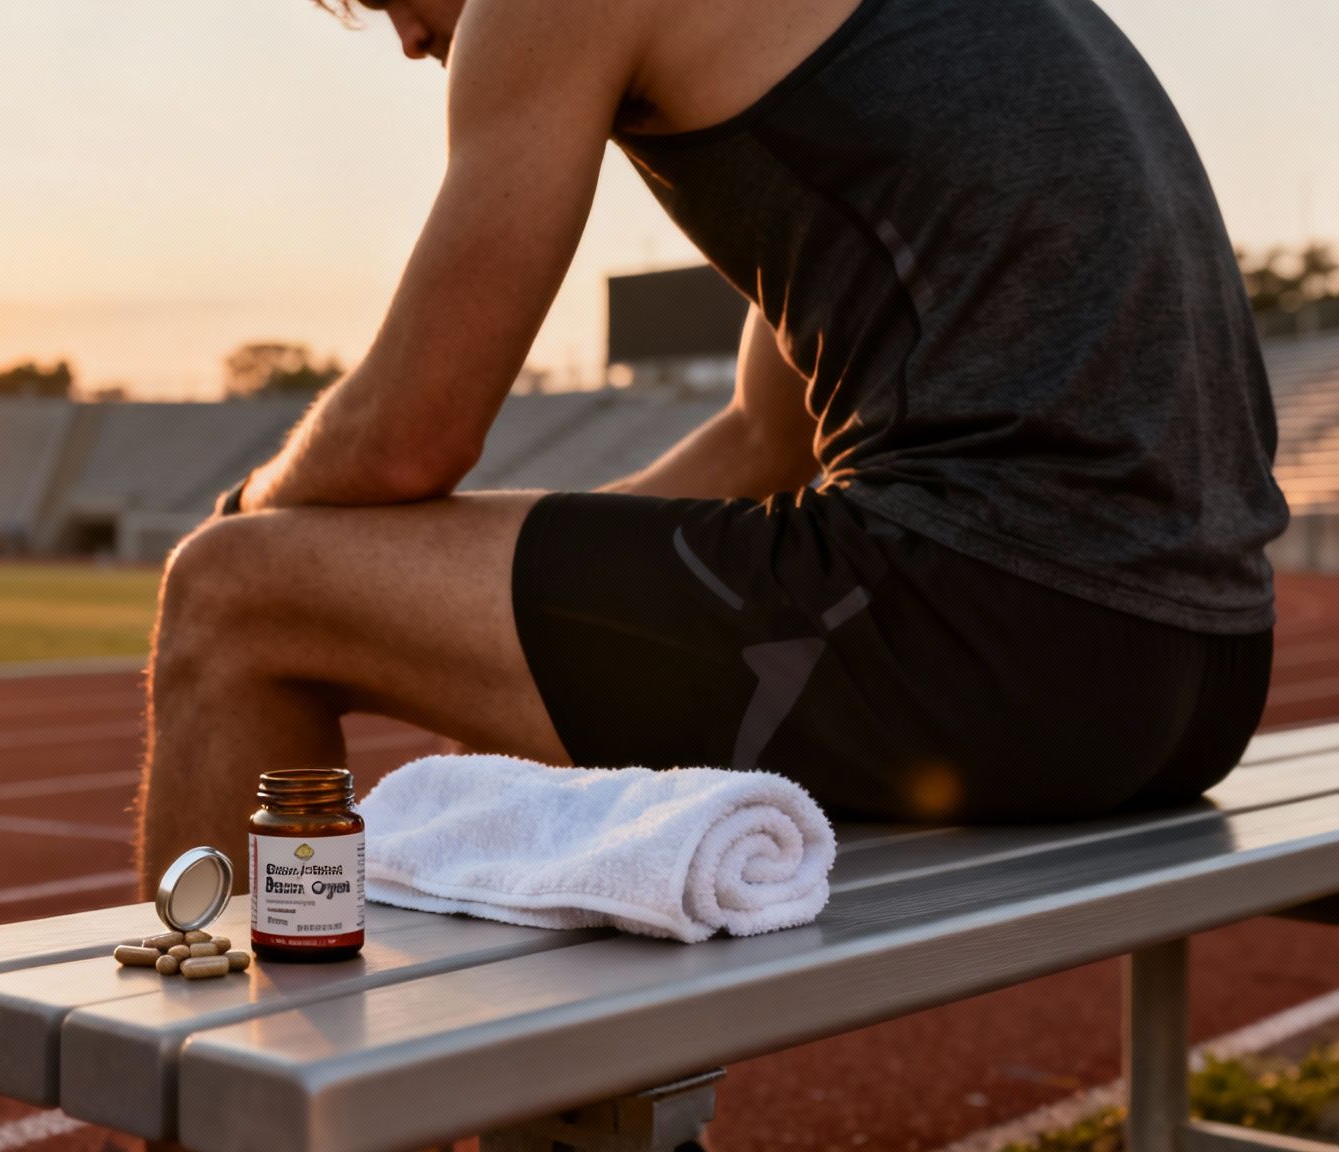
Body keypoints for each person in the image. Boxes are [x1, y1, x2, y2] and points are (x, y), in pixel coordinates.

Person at [134, 0, 1286, 889]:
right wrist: (494, 626)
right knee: (532, 697)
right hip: (1198, 676)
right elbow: (758, 441)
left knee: (233, 595)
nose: (401, 36)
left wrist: (249, 514)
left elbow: (403, 440)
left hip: (999, 631)